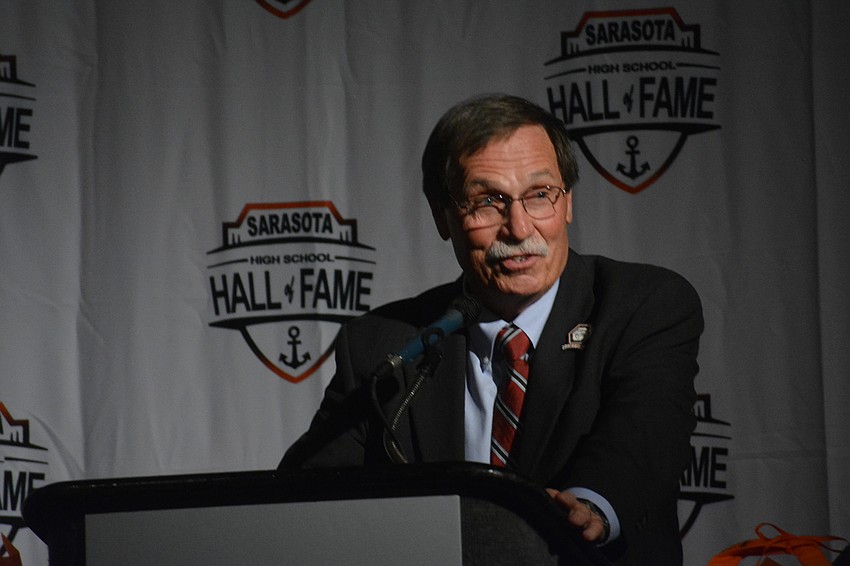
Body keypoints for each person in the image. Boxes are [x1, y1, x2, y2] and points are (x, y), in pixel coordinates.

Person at [279, 93, 703, 565]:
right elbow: (305, 496)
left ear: (567, 204)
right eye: (487, 202)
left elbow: (644, 431)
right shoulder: (388, 343)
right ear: (443, 216)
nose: (519, 228)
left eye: (540, 195)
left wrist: (589, 504)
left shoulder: (641, 305)